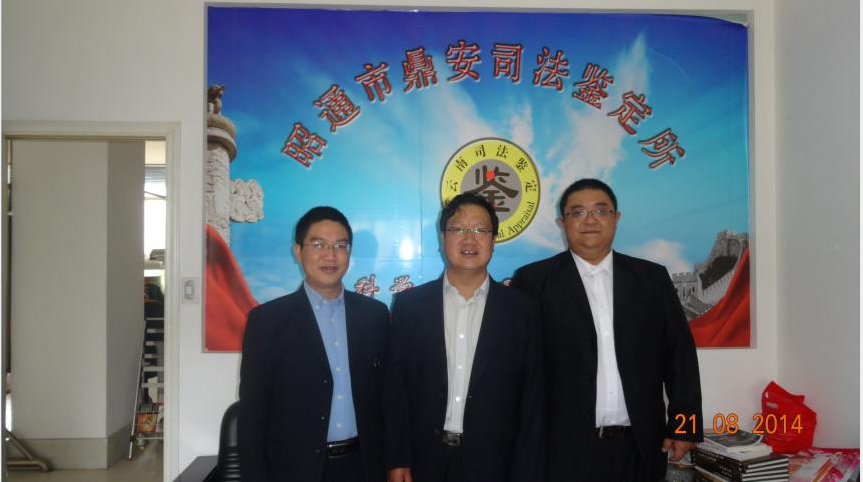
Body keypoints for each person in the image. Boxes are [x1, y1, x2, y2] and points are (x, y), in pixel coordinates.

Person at [511, 178, 703, 482]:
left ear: (616, 218)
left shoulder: (651, 278)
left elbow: (679, 356)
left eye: (601, 211)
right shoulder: (533, 281)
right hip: (561, 450)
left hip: (640, 446)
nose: (590, 220)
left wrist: (685, 427)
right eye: (578, 212)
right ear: (563, 222)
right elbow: (517, 369)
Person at [383, 193, 545, 482]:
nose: (469, 239)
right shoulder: (410, 306)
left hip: (496, 463)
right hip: (423, 460)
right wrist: (397, 459)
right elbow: (396, 391)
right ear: (442, 238)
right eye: (458, 229)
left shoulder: (523, 311)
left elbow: (533, 400)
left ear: (493, 240)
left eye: (480, 230)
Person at [239, 206, 389, 482]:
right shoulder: (267, 321)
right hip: (295, 469)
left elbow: (388, 399)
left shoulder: (375, 316)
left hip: (364, 466)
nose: (330, 255)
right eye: (318, 244)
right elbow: (253, 414)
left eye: (340, 245)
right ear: (298, 251)